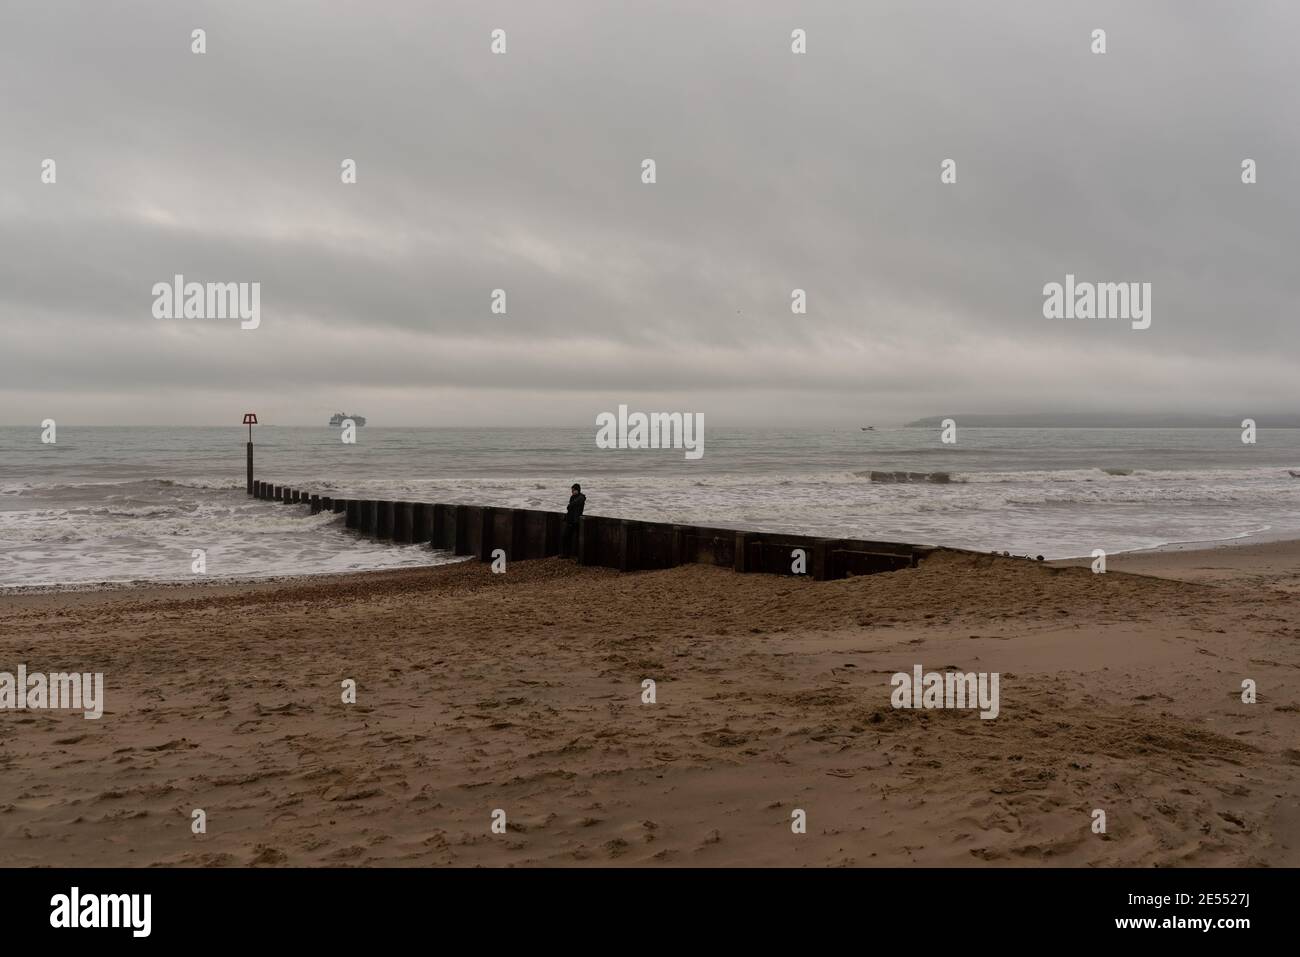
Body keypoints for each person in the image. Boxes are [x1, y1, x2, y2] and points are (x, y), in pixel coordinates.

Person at [563, 483, 586, 557]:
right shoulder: (572, 497)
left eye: (573, 490)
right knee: (566, 537)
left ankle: (578, 555)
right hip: (570, 520)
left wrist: (570, 505)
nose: (572, 492)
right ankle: (566, 554)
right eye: (572, 490)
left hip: (576, 520)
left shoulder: (581, 497)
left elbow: (574, 504)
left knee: (577, 538)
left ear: (577, 490)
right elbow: (570, 508)